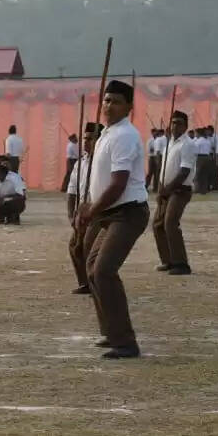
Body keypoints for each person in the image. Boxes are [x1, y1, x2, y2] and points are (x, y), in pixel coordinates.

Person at [75, 80, 149, 359]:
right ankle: (111, 330)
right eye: (106, 100)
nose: (109, 105)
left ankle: (126, 342)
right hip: (109, 212)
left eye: (116, 101)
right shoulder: (107, 133)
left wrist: (91, 210)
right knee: (92, 268)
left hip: (127, 212)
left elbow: (119, 183)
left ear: (129, 107)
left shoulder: (125, 136)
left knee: (104, 270)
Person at [152, 110, 195, 275]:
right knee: (157, 225)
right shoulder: (168, 143)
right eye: (173, 122)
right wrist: (160, 188)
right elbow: (164, 168)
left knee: (170, 223)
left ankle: (181, 263)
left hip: (179, 190)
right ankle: (168, 260)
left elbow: (184, 171)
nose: (175, 126)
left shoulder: (188, 144)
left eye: (179, 123)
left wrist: (168, 188)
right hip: (166, 190)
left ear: (185, 126)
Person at [65, 122, 100, 295]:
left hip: (98, 212)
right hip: (81, 212)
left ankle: (97, 283)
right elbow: (72, 190)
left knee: (88, 247)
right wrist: (72, 214)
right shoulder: (81, 163)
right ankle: (84, 283)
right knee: (75, 246)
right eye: (84, 138)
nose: (86, 142)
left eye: (91, 138)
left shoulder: (102, 163)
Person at [146, 128, 163, 192]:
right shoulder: (150, 141)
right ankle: (146, 186)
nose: (156, 133)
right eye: (155, 132)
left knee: (157, 173)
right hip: (152, 158)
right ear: (152, 133)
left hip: (157, 157)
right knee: (150, 173)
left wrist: (155, 149)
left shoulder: (159, 140)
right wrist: (156, 149)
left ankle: (155, 188)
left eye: (157, 132)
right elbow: (149, 150)